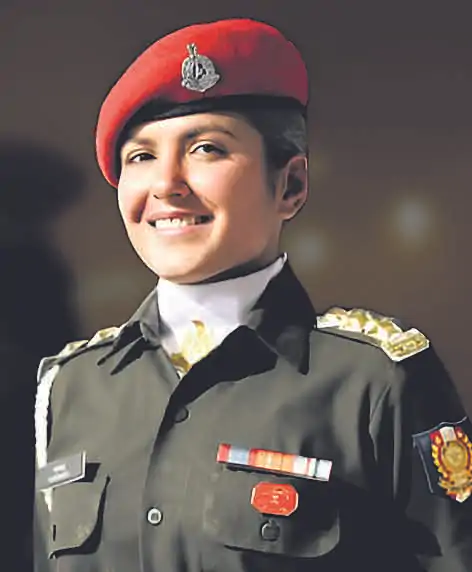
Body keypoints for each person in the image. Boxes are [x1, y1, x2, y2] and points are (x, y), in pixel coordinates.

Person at [33, 17, 471, 572]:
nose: (166, 184)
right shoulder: (70, 387)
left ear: (290, 185)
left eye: (206, 149)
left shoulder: (374, 381)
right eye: (141, 156)